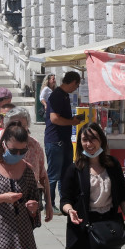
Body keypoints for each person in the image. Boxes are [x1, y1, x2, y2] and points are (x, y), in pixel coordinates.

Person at [61, 122, 125, 249]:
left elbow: (123, 197)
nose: (89, 144)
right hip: (83, 230)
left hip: (109, 230)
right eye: (85, 140)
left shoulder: (112, 165)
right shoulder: (75, 169)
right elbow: (65, 200)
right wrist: (70, 210)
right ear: (80, 143)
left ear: (101, 140)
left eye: (93, 139)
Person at [0, 108, 54, 223]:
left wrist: (49, 204)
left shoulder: (34, 146)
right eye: (13, 125)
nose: (18, 128)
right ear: (6, 127)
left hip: (27, 208)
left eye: (22, 125)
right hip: (0, 208)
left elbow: (43, 176)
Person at [44, 71, 82, 214]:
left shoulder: (64, 95)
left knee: (65, 174)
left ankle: (64, 204)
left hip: (64, 141)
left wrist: (72, 119)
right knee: (53, 176)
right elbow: (54, 119)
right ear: (73, 82)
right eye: (76, 86)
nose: (76, 89)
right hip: (55, 141)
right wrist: (72, 122)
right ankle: (50, 204)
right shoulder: (57, 95)